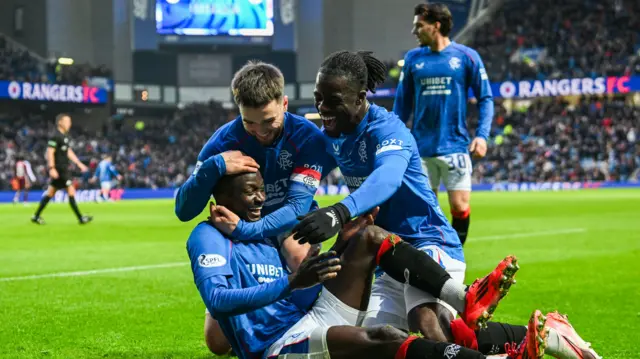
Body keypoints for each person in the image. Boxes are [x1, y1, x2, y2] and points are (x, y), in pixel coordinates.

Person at [187, 170, 600, 359]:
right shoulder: (207, 237)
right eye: (249, 193)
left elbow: (299, 286)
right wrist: (292, 283)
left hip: (309, 313)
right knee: (388, 336)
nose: (259, 200)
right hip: (275, 348)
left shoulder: (262, 229)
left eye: (261, 191)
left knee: (369, 237)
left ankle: (465, 296)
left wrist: (343, 244)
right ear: (220, 200)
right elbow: (221, 301)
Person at [292, 50, 482, 341]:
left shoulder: (387, 130)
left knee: (426, 318)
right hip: (386, 261)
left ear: (359, 98)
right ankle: (537, 336)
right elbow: (307, 175)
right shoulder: (333, 135)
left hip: (429, 244)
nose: (322, 107)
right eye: (319, 97)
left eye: (333, 101)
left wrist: (339, 212)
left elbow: (386, 179)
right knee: (379, 339)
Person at [174, 60, 335, 345]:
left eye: (269, 121)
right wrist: (213, 167)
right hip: (243, 228)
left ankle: (311, 327)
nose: (260, 132)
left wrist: (244, 231)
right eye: (249, 122)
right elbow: (184, 211)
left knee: (298, 255)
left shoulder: (307, 138)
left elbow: (297, 208)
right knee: (218, 343)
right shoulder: (222, 143)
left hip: (286, 224)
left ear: (284, 103)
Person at [392, 3, 494, 245]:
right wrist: (393, 138)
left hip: (455, 147)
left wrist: (482, 135)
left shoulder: (466, 57)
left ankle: (455, 255)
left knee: (460, 207)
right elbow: (401, 104)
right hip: (420, 150)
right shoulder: (413, 59)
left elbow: (486, 98)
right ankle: (433, 261)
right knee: (424, 211)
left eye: (419, 26)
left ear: (436, 26)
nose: (414, 31)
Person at [31, 113, 93, 225]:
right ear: (60, 122)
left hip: (63, 168)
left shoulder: (65, 137)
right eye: (67, 121)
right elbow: (50, 152)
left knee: (50, 193)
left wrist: (79, 164)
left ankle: (36, 216)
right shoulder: (56, 136)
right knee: (71, 190)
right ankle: (80, 218)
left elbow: (68, 152)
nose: (69, 124)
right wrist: (52, 168)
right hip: (60, 169)